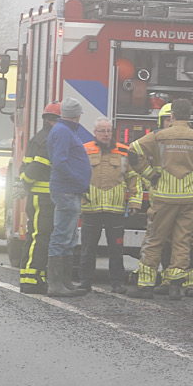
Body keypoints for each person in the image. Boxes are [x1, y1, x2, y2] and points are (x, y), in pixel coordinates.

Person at [126, 102, 193, 299]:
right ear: (189, 115)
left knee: (154, 240)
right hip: (188, 198)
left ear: (171, 115)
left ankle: (146, 285)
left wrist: (151, 175)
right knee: (182, 242)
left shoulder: (158, 136)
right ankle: (174, 286)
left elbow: (132, 151)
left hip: (163, 196)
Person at [79, 118, 135, 293]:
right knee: (88, 248)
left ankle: (117, 282)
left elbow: (134, 179)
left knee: (116, 249)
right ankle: (84, 282)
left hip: (116, 210)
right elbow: (77, 175)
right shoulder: (84, 150)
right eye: (102, 131)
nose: (106, 134)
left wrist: (135, 201)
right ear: (95, 133)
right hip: (90, 208)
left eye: (109, 131)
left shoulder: (124, 151)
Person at [44, 98, 92, 297]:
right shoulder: (64, 131)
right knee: (62, 235)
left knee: (70, 236)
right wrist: (79, 181)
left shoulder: (63, 130)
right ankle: (56, 285)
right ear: (77, 114)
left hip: (69, 190)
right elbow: (61, 162)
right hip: (67, 190)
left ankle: (64, 282)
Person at [17, 104, 59, 294]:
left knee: (38, 236)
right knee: (39, 237)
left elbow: (25, 167)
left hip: (38, 196)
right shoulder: (49, 138)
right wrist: (25, 183)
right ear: (55, 119)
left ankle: (35, 276)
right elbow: (37, 167)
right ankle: (30, 279)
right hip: (42, 196)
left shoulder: (39, 136)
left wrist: (23, 183)